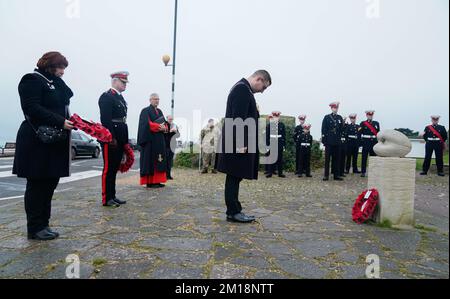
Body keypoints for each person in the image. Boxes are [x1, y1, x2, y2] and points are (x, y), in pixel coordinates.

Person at [13, 52, 74, 240]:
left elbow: (66, 96)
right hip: (37, 139)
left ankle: (44, 224)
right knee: (37, 184)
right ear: (49, 66)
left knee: (49, 182)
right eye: (60, 67)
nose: (63, 71)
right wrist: (60, 121)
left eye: (64, 68)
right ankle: (34, 227)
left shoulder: (53, 82)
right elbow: (32, 108)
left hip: (53, 140)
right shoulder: (31, 79)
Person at [217, 70, 272, 223]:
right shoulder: (242, 89)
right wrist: (240, 144)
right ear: (259, 79)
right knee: (233, 176)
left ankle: (235, 210)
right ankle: (233, 212)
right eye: (264, 87)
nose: (262, 91)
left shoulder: (243, 88)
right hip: (236, 143)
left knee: (235, 176)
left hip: (235, 141)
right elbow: (238, 119)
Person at [99, 71, 130, 207]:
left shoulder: (120, 98)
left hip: (120, 135)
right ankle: (106, 198)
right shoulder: (107, 97)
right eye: (123, 82)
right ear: (115, 81)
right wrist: (111, 137)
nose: (125, 85)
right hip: (111, 138)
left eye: (125, 82)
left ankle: (113, 195)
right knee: (109, 168)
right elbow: (106, 120)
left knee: (114, 168)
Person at [138, 93, 169, 188]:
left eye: (158, 99)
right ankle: (150, 182)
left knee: (160, 160)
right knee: (150, 161)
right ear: (150, 100)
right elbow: (147, 124)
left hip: (159, 140)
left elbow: (165, 123)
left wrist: (165, 127)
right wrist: (159, 126)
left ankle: (158, 181)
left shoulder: (159, 111)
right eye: (155, 99)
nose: (157, 101)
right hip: (150, 141)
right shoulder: (145, 111)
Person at [321, 102, 345, 181]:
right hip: (329, 140)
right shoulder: (327, 117)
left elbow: (342, 129)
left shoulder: (339, 117)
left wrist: (344, 124)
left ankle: (336, 175)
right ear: (331, 108)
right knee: (327, 159)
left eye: (337, 108)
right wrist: (324, 140)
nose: (335, 109)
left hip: (337, 140)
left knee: (337, 159)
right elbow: (323, 129)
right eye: (334, 108)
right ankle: (326, 175)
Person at [359, 110, 380, 177]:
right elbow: (359, 133)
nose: (370, 116)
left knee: (373, 158)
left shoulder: (376, 123)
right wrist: (361, 143)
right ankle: (363, 172)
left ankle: (373, 172)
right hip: (365, 143)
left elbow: (378, 134)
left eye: (371, 115)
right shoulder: (363, 123)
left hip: (374, 143)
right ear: (366, 115)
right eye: (369, 115)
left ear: (372, 115)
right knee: (364, 158)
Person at [266, 111, 286, 178]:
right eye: (275, 117)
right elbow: (267, 136)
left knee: (280, 159)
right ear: (273, 117)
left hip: (279, 143)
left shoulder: (282, 125)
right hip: (272, 143)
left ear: (279, 117)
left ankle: (280, 173)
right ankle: (270, 173)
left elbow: (284, 135)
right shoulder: (269, 125)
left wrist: (284, 145)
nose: (276, 118)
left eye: (277, 117)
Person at [165, 115, 180, 180]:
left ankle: (168, 175)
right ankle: (165, 175)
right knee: (166, 160)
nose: (171, 120)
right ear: (167, 119)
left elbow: (178, 135)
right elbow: (163, 134)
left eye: (172, 119)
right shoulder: (164, 125)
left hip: (172, 145)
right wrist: (170, 131)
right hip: (166, 145)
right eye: (169, 119)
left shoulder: (175, 125)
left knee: (170, 161)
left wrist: (175, 131)